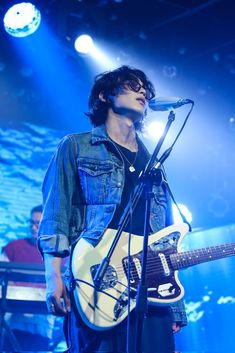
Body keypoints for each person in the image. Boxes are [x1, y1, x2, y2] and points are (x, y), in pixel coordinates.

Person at [38, 65, 187, 353]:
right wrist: (53, 277)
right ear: (106, 95)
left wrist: (176, 306)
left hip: (151, 290)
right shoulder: (76, 146)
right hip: (95, 282)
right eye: (132, 85)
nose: (142, 91)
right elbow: (56, 217)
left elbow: (167, 238)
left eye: (144, 86)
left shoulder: (154, 162)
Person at [0, 205, 56, 351]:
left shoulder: (56, 253)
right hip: (13, 316)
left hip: (42, 322)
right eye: (31, 223)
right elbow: (3, 276)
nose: (33, 227)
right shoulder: (13, 248)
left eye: (38, 224)